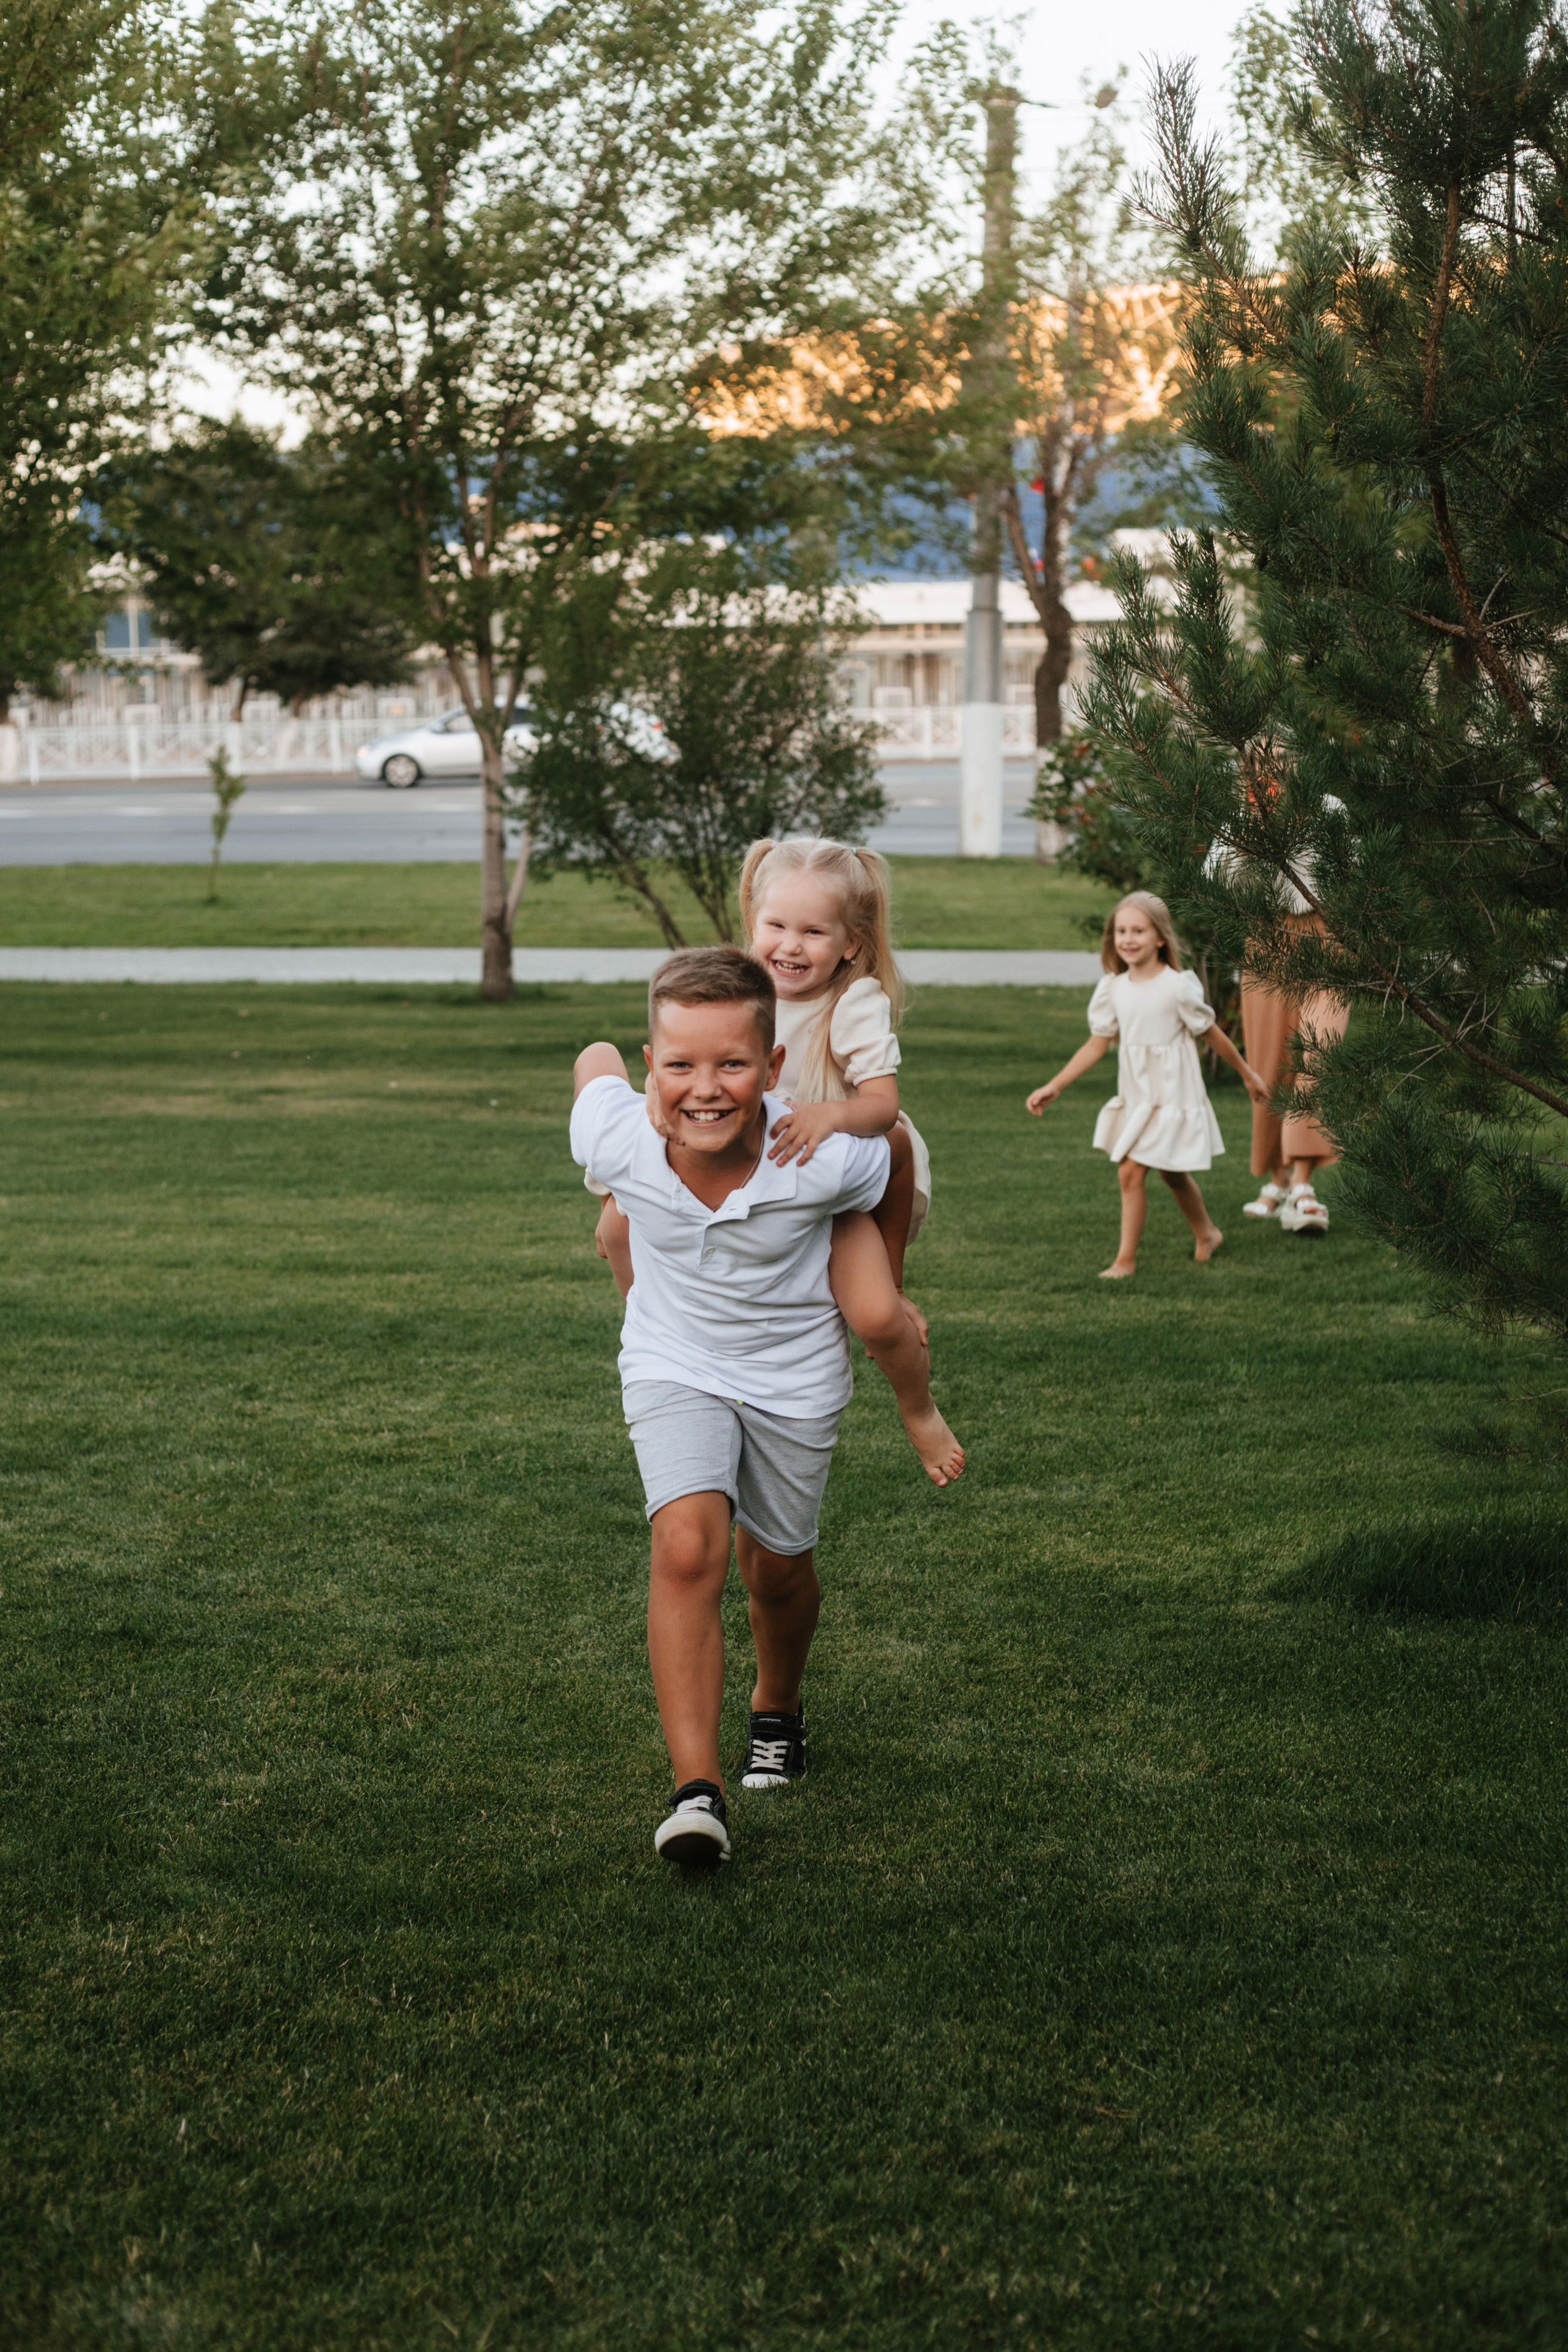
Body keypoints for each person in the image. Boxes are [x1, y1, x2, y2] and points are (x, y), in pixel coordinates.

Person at [570, 945, 960, 1871]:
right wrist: (607, 1076)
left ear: (775, 1069)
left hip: (794, 1374)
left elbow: (896, 1154)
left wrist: (892, 1287)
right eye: (678, 1065)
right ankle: (695, 1793)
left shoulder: (819, 1157)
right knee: (688, 1546)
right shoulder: (615, 1136)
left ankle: (776, 1706)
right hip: (673, 1361)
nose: (704, 1089)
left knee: (776, 1571)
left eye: (732, 1065)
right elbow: (593, 1065)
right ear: (652, 1064)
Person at [593, 836, 962, 1487]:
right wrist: (656, 1090)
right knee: (615, 1227)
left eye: (813, 931)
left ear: (850, 942)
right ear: (752, 925)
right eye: (776, 926)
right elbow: (675, 1054)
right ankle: (659, 1335)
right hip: (727, 1162)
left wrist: (829, 1115)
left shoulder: (851, 1003)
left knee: (875, 1315)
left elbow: (883, 1109)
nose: (790, 946)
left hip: (831, 1181)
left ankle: (919, 1407)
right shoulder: (734, 993)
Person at [1025, 890, 1267, 1280]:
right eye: (1121, 931)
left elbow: (1213, 1035)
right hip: (1139, 1094)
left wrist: (1248, 1075)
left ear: (1160, 938)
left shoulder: (1177, 987)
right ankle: (1207, 1233)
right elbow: (1096, 1043)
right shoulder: (1114, 988)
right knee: (1169, 1174)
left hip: (1173, 1093)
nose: (1128, 939)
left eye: (1139, 930)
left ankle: (1126, 1261)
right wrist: (1056, 1085)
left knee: (1132, 1172)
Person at [1238, 935, 1348, 1238]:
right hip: (1270, 930)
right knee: (1271, 1068)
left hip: (1330, 934)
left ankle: (1302, 1182)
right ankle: (1279, 1179)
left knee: (1317, 1058)